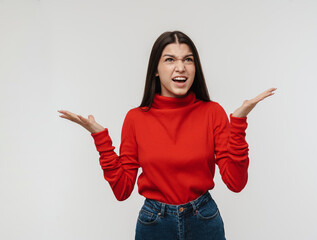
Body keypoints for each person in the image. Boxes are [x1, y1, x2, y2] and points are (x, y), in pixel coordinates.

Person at [58, 30, 276, 240]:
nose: (180, 67)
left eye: (188, 60)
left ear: (195, 67)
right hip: (154, 224)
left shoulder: (212, 112)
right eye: (170, 60)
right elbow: (122, 190)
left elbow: (236, 183)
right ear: (155, 69)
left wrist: (238, 123)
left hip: (204, 220)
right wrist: (101, 139)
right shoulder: (136, 119)